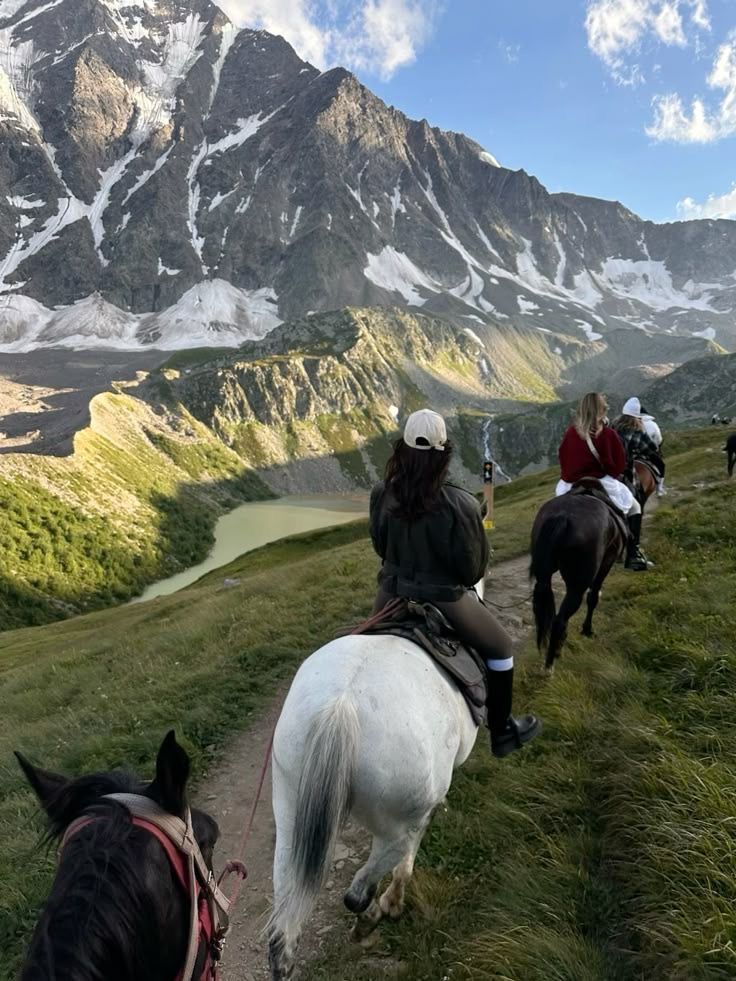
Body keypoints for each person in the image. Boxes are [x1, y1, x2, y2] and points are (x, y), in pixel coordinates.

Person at [369, 409, 540, 758]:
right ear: (444, 451)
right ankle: (503, 730)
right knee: (502, 647)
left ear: (402, 448)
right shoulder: (460, 502)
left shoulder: (381, 493)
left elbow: (380, 547)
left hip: (391, 593)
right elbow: (471, 572)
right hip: (445, 597)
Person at [556, 392, 649, 572]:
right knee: (635, 507)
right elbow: (618, 467)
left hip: (570, 483)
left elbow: (563, 458)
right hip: (601, 481)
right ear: (602, 410)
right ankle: (633, 554)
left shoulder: (570, 433)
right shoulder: (608, 435)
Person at [614, 398, 666, 497]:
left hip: (611, 464)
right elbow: (650, 447)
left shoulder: (614, 425)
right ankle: (660, 488)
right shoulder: (638, 431)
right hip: (626, 467)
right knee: (661, 464)